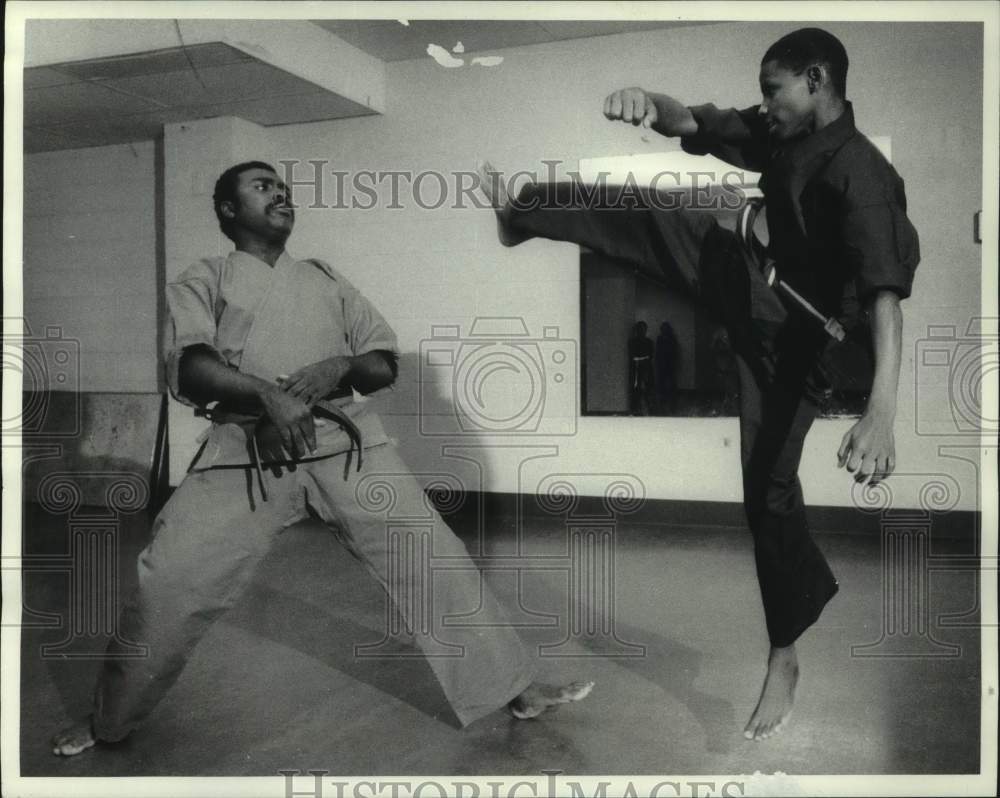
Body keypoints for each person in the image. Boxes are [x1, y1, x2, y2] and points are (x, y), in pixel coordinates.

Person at [51, 162, 592, 757]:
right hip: (246, 452)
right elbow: (192, 366)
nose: (281, 194)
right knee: (171, 581)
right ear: (228, 210)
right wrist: (268, 395)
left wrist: (341, 365)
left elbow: (382, 361)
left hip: (344, 443)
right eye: (262, 187)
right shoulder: (203, 279)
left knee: (434, 558)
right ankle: (110, 719)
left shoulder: (325, 278)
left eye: (284, 187)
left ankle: (516, 687)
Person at [477, 28, 918, 741]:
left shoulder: (861, 175)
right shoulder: (782, 130)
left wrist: (882, 414)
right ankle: (521, 216)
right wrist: (646, 102)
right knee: (650, 215)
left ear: (816, 80)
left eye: (773, 89)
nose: (764, 104)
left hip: (808, 347)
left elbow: (885, 300)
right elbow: (690, 121)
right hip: (750, 284)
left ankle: (783, 654)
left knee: (766, 493)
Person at [628, 320, 655, 415]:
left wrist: (640, 359)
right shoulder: (632, 342)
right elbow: (632, 356)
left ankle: (649, 410)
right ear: (637, 330)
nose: (642, 331)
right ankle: (636, 410)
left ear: (646, 330)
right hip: (636, 369)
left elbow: (650, 356)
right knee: (636, 389)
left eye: (643, 329)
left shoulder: (649, 342)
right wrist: (643, 359)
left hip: (647, 369)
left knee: (648, 389)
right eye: (640, 329)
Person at [655, 320, 678, 414]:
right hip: (662, 365)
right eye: (663, 329)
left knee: (671, 385)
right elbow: (657, 352)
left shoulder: (672, 339)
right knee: (661, 385)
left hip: (669, 364)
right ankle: (663, 405)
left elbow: (675, 352)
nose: (664, 331)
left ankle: (672, 406)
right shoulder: (660, 339)